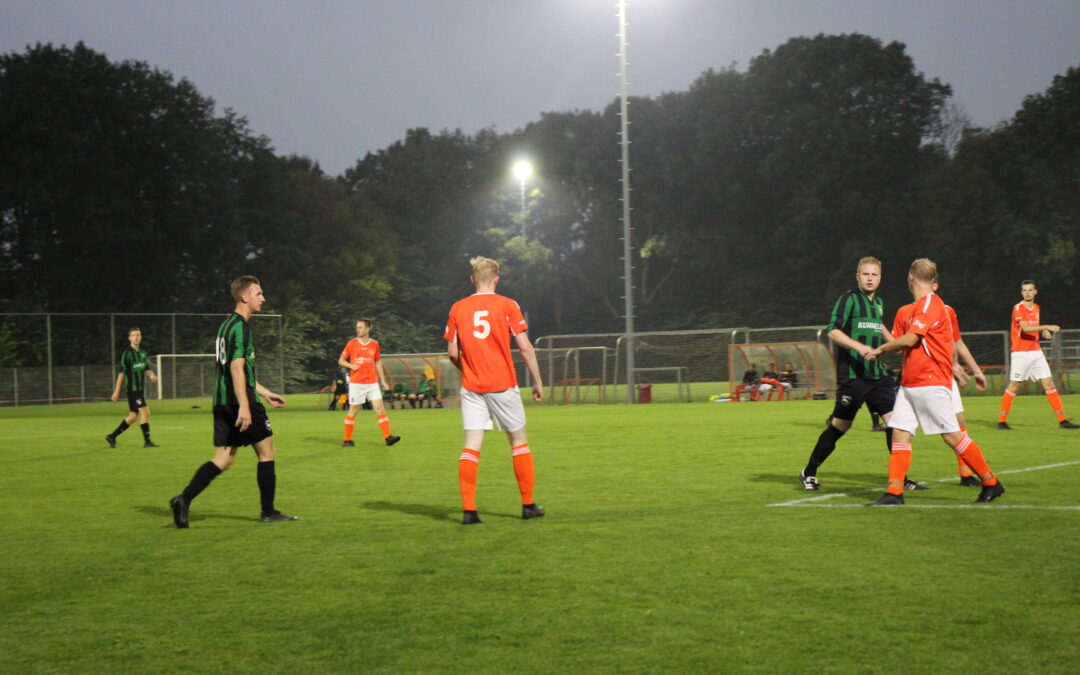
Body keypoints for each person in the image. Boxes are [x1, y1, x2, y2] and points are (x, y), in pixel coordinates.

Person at [865, 259, 1004, 505]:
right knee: (900, 434)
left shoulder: (931, 303)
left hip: (930, 382)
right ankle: (894, 493)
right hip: (910, 383)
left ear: (910, 278)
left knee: (952, 436)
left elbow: (910, 340)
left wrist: (881, 350)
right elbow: (904, 343)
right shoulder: (916, 308)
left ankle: (991, 482)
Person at [168, 275, 297, 528]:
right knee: (267, 452)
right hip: (241, 402)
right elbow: (236, 368)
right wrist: (246, 406)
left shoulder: (225, 327)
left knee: (223, 459)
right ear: (244, 296)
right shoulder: (241, 328)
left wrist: (265, 392)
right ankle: (268, 512)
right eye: (259, 293)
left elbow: (238, 371)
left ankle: (184, 499)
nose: (263, 298)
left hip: (222, 402)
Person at [799, 257, 924, 492]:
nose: (869, 278)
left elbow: (878, 325)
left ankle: (900, 478)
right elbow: (833, 331)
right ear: (858, 276)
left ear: (880, 278)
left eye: (874, 275)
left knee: (895, 424)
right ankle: (809, 471)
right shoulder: (849, 299)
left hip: (877, 375)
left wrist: (895, 343)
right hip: (853, 376)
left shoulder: (878, 304)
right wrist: (859, 347)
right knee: (840, 426)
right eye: (865, 274)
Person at [444, 256, 545, 525]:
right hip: (502, 384)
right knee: (519, 441)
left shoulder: (458, 308)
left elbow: (452, 352)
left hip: (472, 386)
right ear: (497, 279)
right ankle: (528, 505)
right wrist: (537, 380)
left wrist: (467, 369)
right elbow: (525, 347)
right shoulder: (508, 305)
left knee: (472, 445)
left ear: (472, 279)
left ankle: (469, 511)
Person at [997, 280, 1078, 430]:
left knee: (1049, 383)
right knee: (1014, 386)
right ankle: (1001, 422)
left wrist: (1042, 330)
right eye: (1024, 290)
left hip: (1035, 351)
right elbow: (1026, 328)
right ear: (1022, 292)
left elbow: (1033, 326)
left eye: (1030, 290)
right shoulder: (1018, 308)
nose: (1027, 293)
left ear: (1035, 292)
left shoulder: (1036, 308)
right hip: (1021, 353)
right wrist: (1047, 326)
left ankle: (1063, 421)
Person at [339, 319, 400, 447]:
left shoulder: (375, 344)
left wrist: (383, 381)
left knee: (380, 408)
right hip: (357, 383)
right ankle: (347, 439)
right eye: (357, 327)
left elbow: (377, 362)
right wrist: (351, 365)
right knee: (353, 410)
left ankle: (388, 437)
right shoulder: (352, 343)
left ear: (368, 329)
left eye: (360, 327)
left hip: (372, 383)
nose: (357, 329)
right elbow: (341, 360)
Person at [105, 327, 159, 448]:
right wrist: (116, 391)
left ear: (141, 337)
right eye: (133, 335)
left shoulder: (143, 353)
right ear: (129, 338)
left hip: (140, 389)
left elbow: (146, 369)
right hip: (133, 390)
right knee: (145, 412)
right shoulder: (127, 354)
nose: (136, 337)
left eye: (138, 335)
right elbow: (121, 373)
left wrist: (151, 375)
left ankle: (112, 436)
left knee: (133, 416)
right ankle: (147, 441)